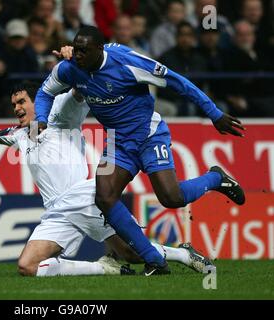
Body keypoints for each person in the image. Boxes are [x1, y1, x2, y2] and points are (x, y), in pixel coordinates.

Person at [0, 81, 213, 277]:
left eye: (22, 102)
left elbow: (77, 93)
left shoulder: (60, 117)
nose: (17, 109)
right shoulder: (20, 135)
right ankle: (104, 269)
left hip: (86, 198)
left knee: (135, 254)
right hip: (57, 212)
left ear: (38, 102)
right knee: (27, 266)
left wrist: (71, 67)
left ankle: (181, 254)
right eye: (14, 105)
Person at [34, 26, 245, 275]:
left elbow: (178, 82)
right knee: (104, 196)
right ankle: (155, 260)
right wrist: (40, 118)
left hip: (148, 135)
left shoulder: (127, 63)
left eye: (83, 51)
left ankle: (216, 178)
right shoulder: (70, 69)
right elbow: (44, 92)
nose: (77, 55)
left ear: (99, 49)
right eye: (76, 49)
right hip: (118, 142)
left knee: (171, 198)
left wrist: (214, 113)